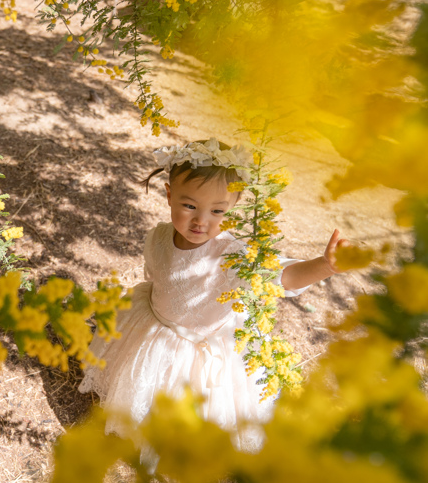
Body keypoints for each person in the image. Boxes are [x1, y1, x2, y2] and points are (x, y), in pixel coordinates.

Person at [79, 138, 351, 452]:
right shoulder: (159, 236)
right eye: (189, 205)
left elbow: (284, 276)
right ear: (169, 195)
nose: (200, 220)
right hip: (155, 330)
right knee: (146, 385)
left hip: (202, 345)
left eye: (217, 210)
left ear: (232, 207)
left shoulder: (232, 254)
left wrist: (325, 265)